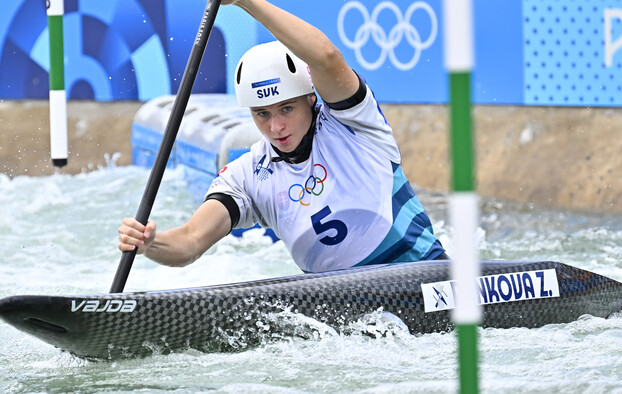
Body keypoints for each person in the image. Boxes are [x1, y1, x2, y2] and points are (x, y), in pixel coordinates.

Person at [118, 0, 447, 273]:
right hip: (344, 314)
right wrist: (150, 244)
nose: (276, 127)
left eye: (286, 109)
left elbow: (328, 59)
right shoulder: (248, 176)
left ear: (310, 98)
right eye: (262, 114)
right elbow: (190, 242)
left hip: (420, 274)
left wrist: (247, 2)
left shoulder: (354, 124)